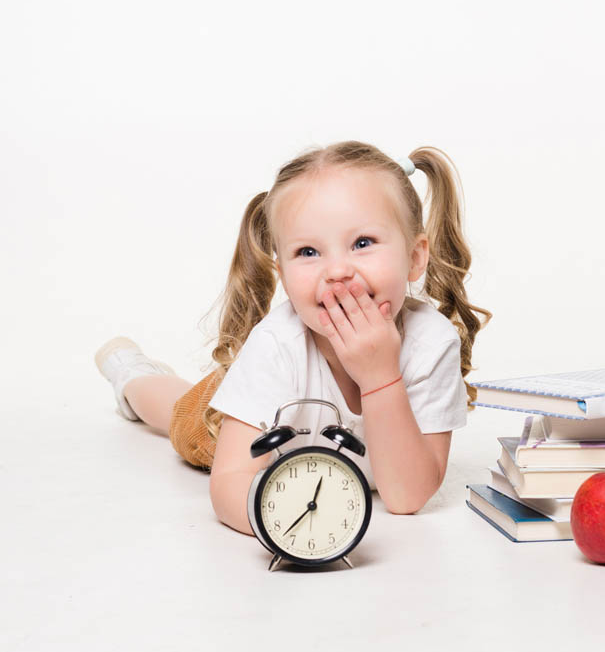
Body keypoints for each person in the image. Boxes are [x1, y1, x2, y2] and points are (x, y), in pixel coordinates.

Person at [94, 141, 491, 536]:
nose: (337, 271)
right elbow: (231, 478)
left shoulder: (432, 343)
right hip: (249, 429)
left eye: (363, 243)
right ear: (282, 274)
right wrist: (289, 526)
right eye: (307, 251)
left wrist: (380, 377)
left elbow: (406, 497)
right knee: (181, 417)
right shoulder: (277, 345)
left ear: (415, 256)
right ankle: (132, 375)